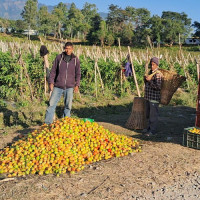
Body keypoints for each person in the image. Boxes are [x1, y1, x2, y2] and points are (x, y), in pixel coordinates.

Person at [44, 42, 81, 124]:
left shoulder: (75, 60)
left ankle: (66, 123)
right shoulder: (59, 58)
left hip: (69, 87)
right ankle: (47, 123)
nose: (68, 50)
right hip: (58, 86)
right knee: (51, 104)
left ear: (72, 49)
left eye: (69, 49)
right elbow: (53, 71)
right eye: (66, 48)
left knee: (68, 106)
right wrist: (51, 82)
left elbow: (78, 73)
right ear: (64, 48)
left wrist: (77, 85)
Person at [144, 57, 162, 136]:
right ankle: (148, 129)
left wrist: (150, 81)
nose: (152, 66)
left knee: (153, 115)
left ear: (157, 65)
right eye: (151, 65)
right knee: (148, 114)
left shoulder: (157, 74)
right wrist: (146, 80)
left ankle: (152, 131)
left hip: (154, 98)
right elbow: (147, 84)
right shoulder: (151, 73)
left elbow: (158, 87)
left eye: (153, 65)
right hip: (148, 97)